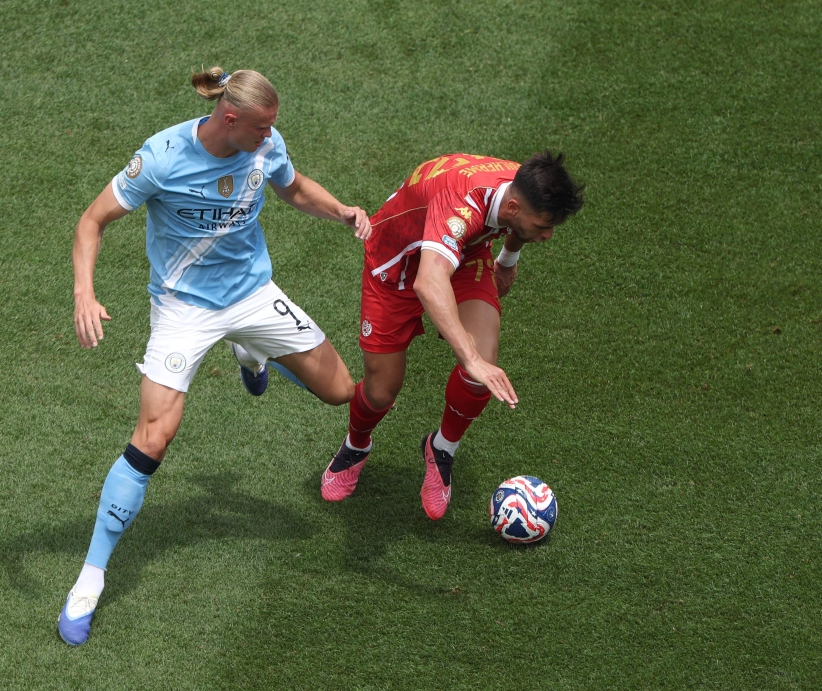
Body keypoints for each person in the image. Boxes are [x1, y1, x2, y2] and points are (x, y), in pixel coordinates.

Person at [58, 67, 371, 646]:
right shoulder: (161, 158)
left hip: (253, 296)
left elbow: (293, 188)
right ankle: (90, 578)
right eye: (262, 127)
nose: (271, 136)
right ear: (231, 119)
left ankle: (254, 351)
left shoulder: (264, 145)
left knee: (341, 391)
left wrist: (342, 210)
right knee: (153, 437)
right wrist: (85, 291)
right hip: (184, 310)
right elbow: (92, 221)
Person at [320, 151, 584, 520]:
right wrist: (469, 358)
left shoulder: (518, 185)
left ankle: (441, 447)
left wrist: (507, 259)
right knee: (382, 390)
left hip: (464, 253)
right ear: (512, 206)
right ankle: (356, 445)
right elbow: (429, 281)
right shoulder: (464, 203)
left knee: (482, 369)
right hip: (393, 267)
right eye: (544, 225)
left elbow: (514, 225)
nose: (548, 235)